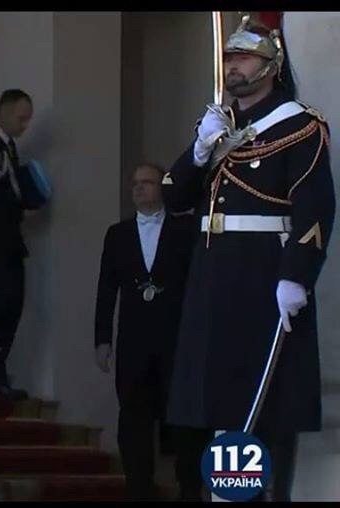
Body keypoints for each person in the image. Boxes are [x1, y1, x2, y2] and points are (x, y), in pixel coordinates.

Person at [162, 13, 335, 502]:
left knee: (266, 400)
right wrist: (201, 150)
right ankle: (228, 494)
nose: (233, 66)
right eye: (230, 58)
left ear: (271, 66)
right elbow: (174, 197)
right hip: (214, 277)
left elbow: (315, 208)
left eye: (244, 58)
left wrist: (296, 276)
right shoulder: (220, 127)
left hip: (263, 276)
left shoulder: (299, 126)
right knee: (220, 400)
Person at [94, 163, 211, 500]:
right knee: (133, 421)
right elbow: (106, 290)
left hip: (177, 342)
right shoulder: (117, 234)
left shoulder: (185, 230)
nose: (138, 188)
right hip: (133, 344)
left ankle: (190, 491)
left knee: (184, 421)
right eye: (135, 183)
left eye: (147, 182)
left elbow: (199, 286)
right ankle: (138, 490)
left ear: (163, 188)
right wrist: (102, 339)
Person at [0, 90, 52, 396]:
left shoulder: (7, 146)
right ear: (4, 111)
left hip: (9, 243)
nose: (25, 125)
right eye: (21, 118)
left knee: (11, 306)